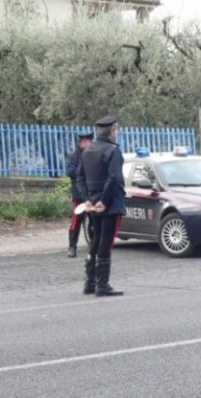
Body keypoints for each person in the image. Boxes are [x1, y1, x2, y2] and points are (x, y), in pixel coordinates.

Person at [76, 114, 125, 296]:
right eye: (116, 129)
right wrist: (104, 201)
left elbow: (79, 178)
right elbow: (114, 178)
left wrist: (87, 199)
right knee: (106, 240)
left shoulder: (87, 150)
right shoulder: (112, 151)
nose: (117, 132)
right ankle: (102, 285)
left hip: (92, 202)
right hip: (109, 203)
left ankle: (90, 283)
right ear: (112, 131)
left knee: (96, 239)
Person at [65, 132, 93, 258]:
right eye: (84, 141)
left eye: (88, 141)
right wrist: (83, 173)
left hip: (93, 193)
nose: (86, 144)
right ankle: (72, 247)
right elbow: (70, 172)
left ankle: (94, 246)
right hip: (79, 193)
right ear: (80, 142)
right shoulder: (73, 156)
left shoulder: (94, 155)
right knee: (77, 220)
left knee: (95, 220)